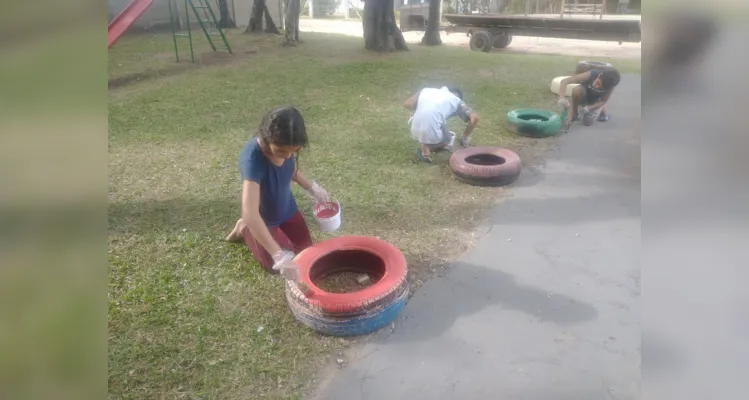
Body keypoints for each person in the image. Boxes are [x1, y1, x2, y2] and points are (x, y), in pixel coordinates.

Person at [225, 106, 330, 282]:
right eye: (282, 151)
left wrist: (312, 188)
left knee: (305, 252)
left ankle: (250, 228)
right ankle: (245, 228)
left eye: (293, 151)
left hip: (286, 208)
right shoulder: (252, 160)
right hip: (262, 218)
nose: (288, 156)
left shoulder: (286, 150)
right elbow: (250, 212)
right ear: (267, 138)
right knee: (275, 267)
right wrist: (278, 255)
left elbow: (291, 169)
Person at [404, 86, 480, 163]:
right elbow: (475, 118)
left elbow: (407, 104)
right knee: (447, 139)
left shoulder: (426, 90)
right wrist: (464, 137)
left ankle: (425, 150)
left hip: (413, 128)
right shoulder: (457, 100)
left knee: (433, 124)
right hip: (431, 130)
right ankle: (429, 149)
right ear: (458, 97)